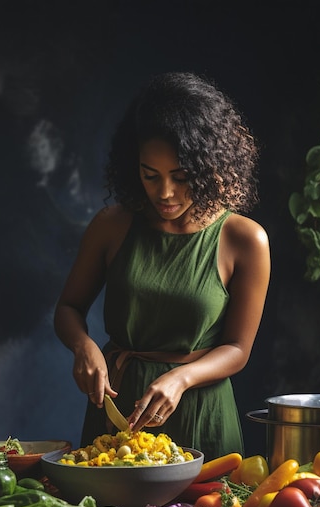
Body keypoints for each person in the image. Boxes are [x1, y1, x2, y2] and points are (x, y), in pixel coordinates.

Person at [53, 71, 270, 461]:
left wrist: (181, 378)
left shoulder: (244, 239)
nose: (165, 193)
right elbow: (68, 309)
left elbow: (238, 348)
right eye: (150, 175)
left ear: (210, 166)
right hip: (117, 417)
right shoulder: (112, 225)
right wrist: (82, 346)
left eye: (181, 177)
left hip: (202, 412)